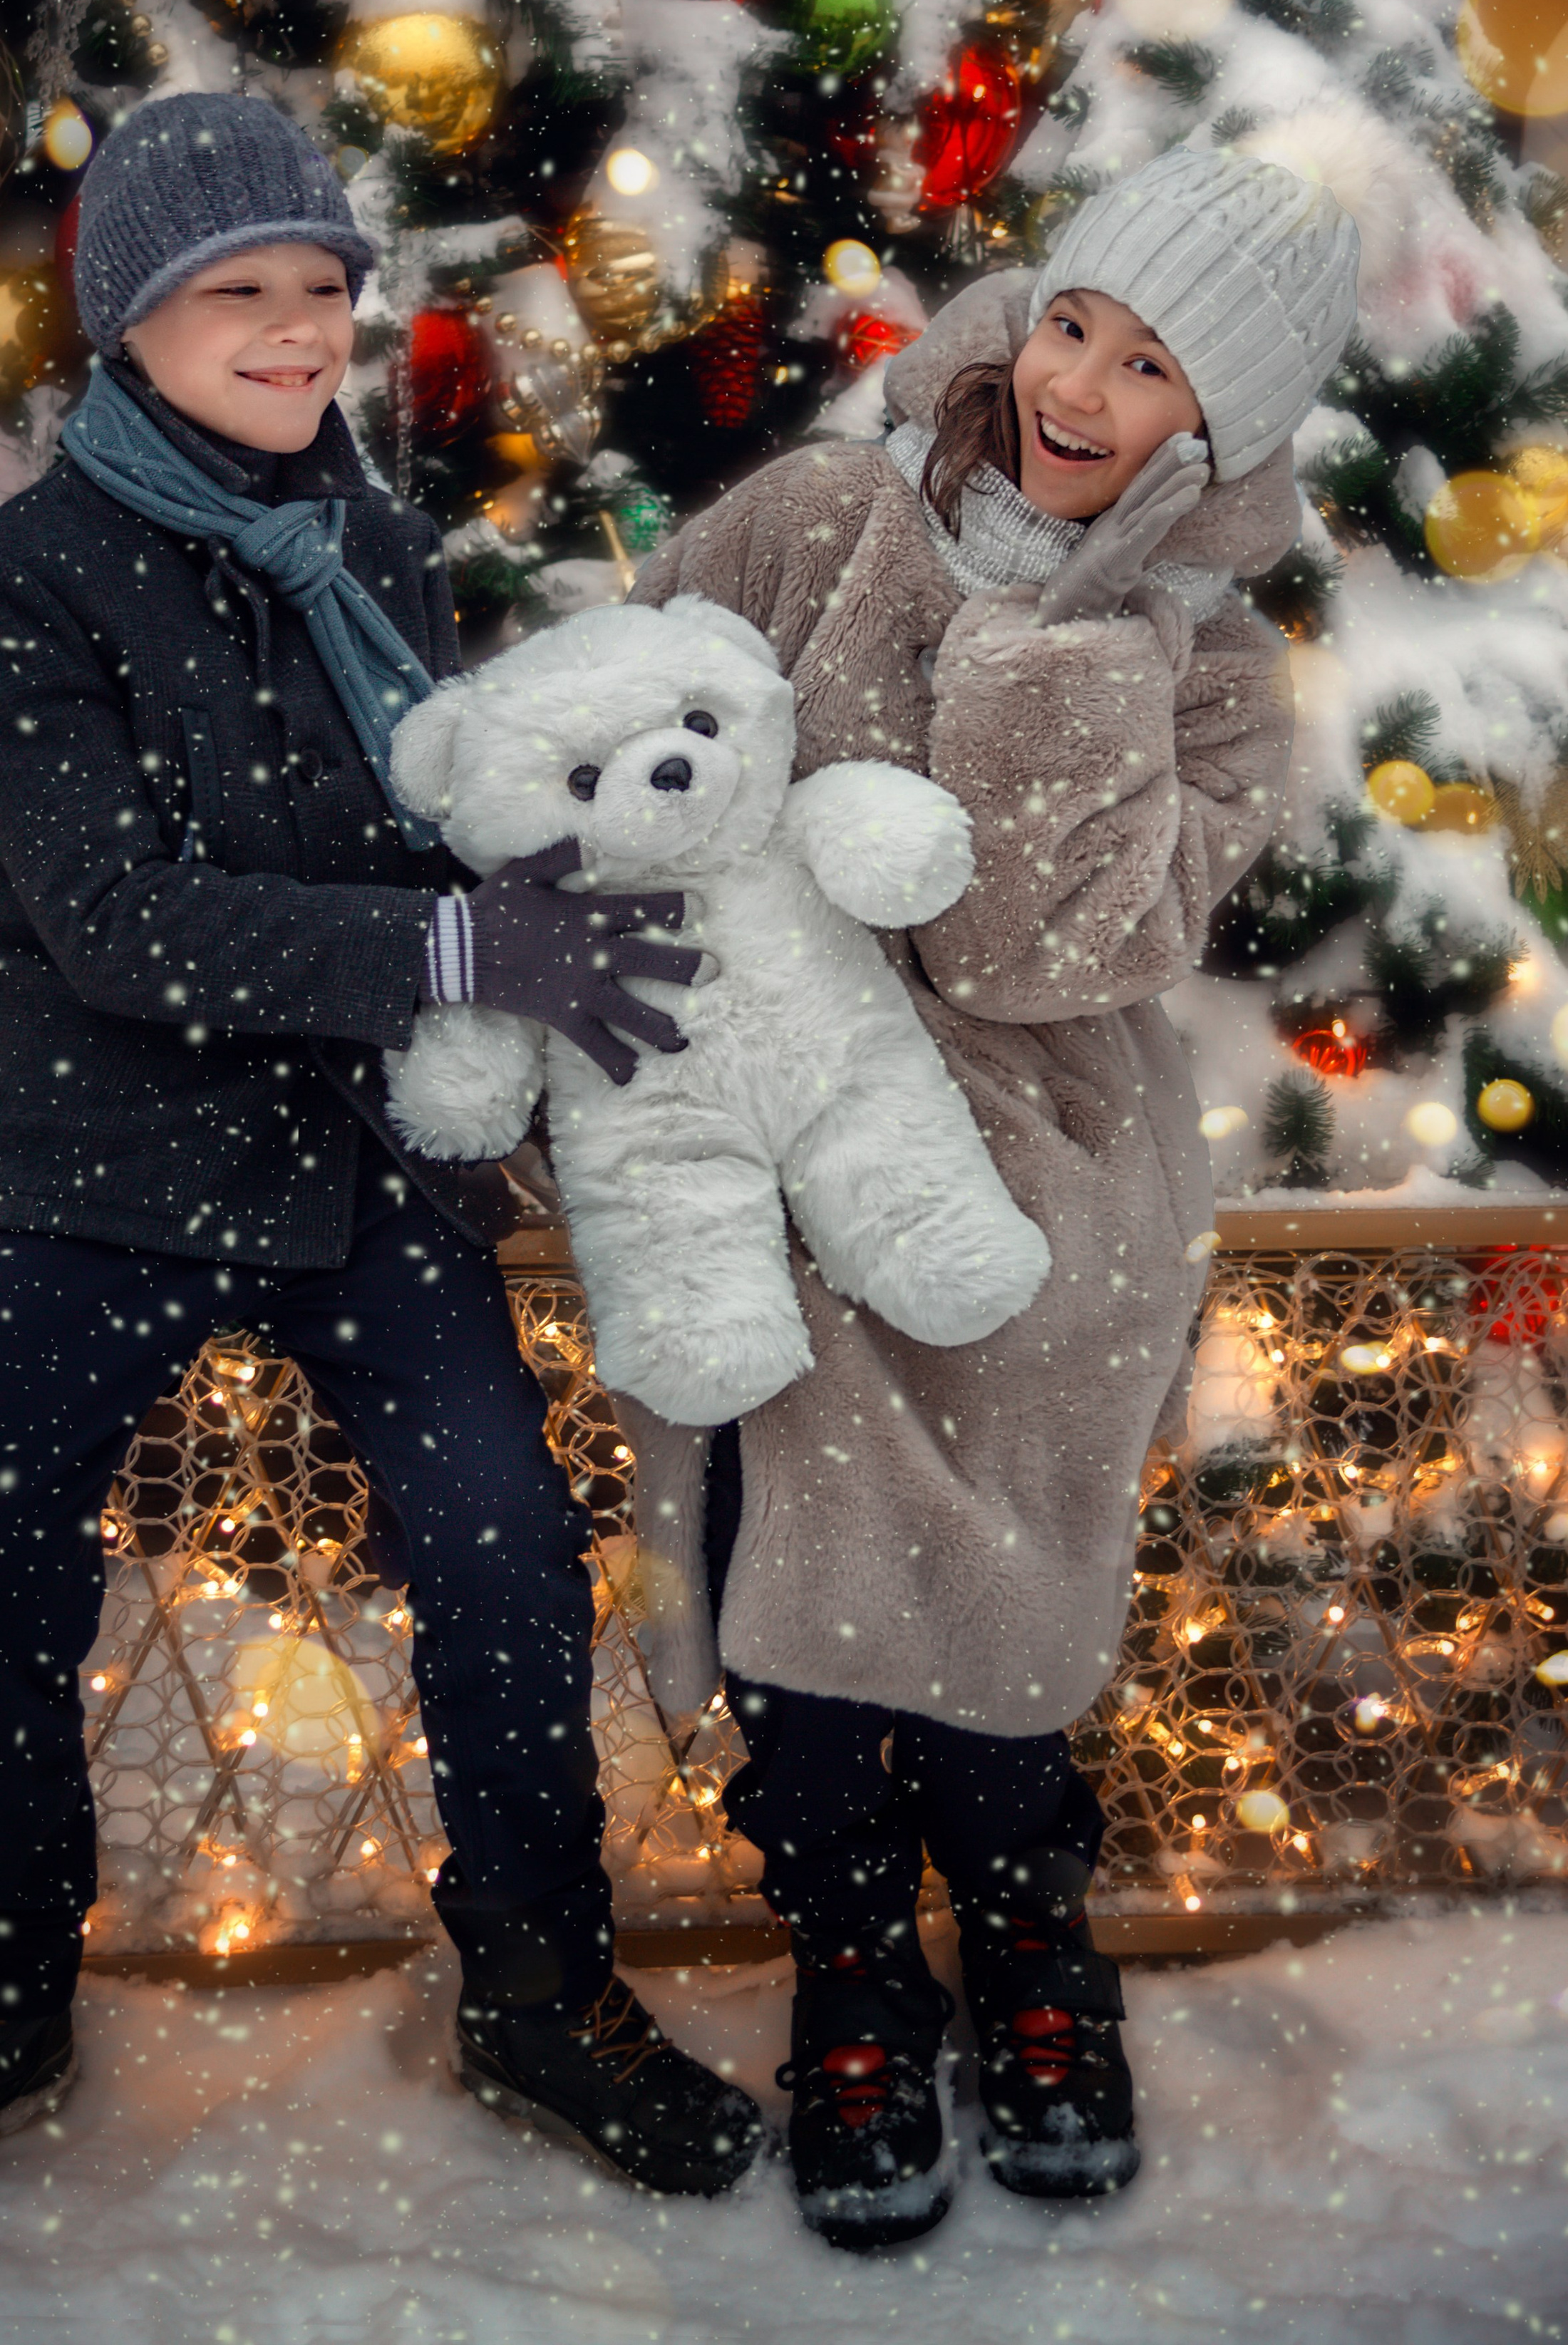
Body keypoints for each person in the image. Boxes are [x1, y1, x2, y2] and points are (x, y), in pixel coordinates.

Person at [0, 95, 763, 2217]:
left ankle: (538, 1986)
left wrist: (584, 907)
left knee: (501, 1556)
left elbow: (440, 803)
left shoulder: (374, 542)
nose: (302, 331)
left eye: (324, 288)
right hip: (98, 1156)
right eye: (244, 292)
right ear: (131, 318)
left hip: (358, 1160)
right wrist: (461, 940)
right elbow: (120, 918)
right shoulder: (29, 578)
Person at [628, 147, 1360, 2247]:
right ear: (1024, 316)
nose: (1086, 385)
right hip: (785, 1114)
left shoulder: (1207, 667)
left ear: (1213, 434)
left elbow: (1041, 960)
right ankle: (853, 1959)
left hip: (1037, 1161)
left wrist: (1051, 656)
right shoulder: (816, 516)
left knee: (1012, 1558)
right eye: (1075, 325)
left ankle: (1032, 1940)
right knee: (804, 1556)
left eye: (1154, 372)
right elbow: (624, 725)